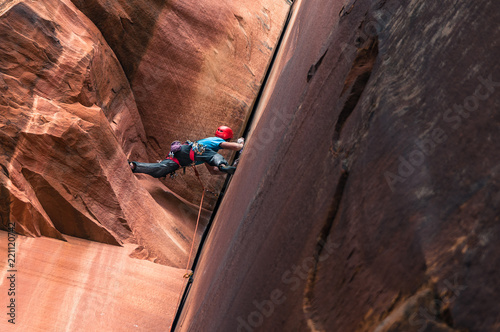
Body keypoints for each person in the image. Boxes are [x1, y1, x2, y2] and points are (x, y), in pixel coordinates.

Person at [129, 126, 244, 178]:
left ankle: (135, 166)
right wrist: (241, 143)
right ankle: (223, 165)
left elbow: (213, 171)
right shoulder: (216, 141)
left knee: (160, 170)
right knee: (214, 156)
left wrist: (230, 168)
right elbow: (235, 147)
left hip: (179, 157)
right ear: (227, 138)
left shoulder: (206, 151)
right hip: (190, 151)